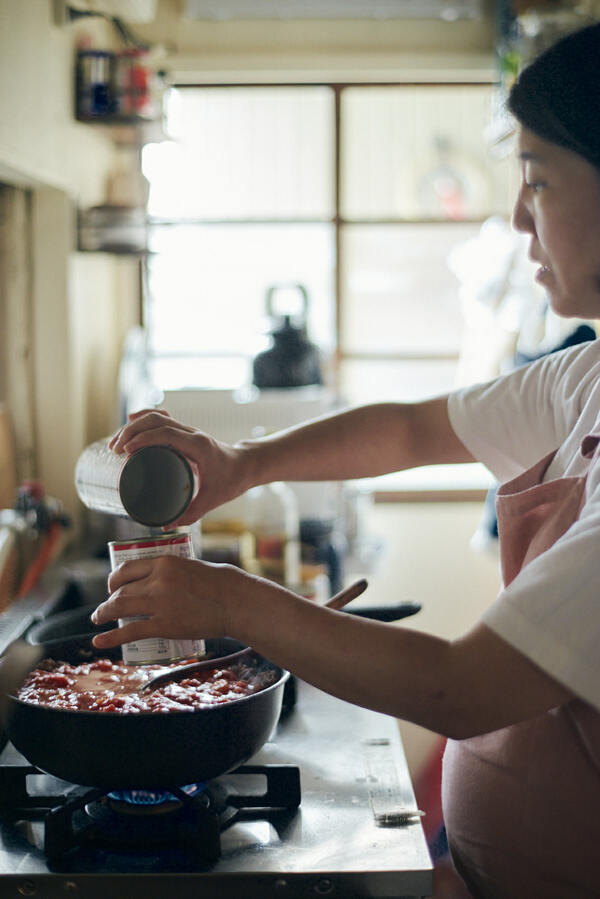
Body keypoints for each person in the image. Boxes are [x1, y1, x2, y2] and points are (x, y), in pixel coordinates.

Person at [91, 22, 600, 898]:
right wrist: (240, 463)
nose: (518, 216)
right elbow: (408, 431)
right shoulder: (589, 373)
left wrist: (227, 598)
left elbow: (460, 688)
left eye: (538, 181)